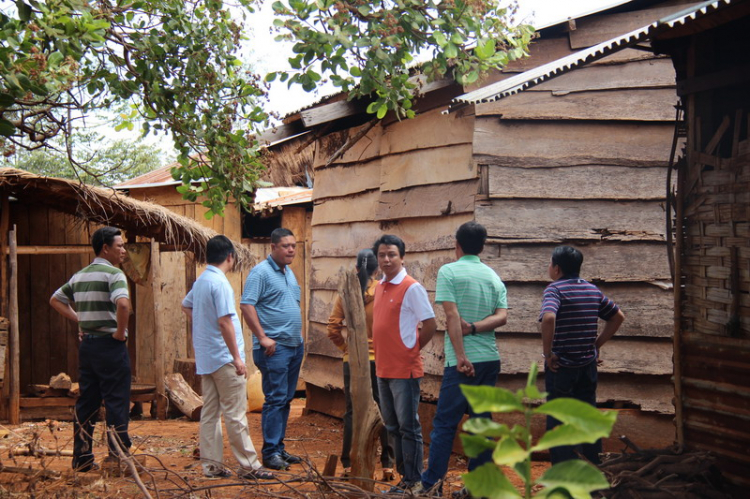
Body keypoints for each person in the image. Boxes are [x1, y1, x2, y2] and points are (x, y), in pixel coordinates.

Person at [419, 221, 508, 497]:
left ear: (457, 245)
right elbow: (502, 317)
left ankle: (432, 485)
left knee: (445, 424)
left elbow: (452, 315)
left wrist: (460, 355)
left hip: (461, 363)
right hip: (489, 360)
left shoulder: (449, 271)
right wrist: (477, 328)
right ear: (482, 247)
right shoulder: (493, 276)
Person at [181, 235, 274, 480]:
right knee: (235, 414)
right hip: (224, 357)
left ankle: (211, 466)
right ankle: (249, 466)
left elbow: (186, 305)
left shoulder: (202, 280)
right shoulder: (220, 283)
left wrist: (203, 327)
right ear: (230, 257)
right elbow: (224, 321)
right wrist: (237, 357)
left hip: (207, 357)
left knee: (210, 413)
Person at [49, 227, 132, 472]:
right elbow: (124, 305)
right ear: (105, 248)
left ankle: (82, 459)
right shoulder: (114, 274)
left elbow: (55, 299)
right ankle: (118, 458)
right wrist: (119, 333)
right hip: (111, 346)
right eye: (119, 246)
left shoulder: (80, 276)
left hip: (88, 348)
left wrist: (81, 320)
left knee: (87, 403)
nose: (123, 250)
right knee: (116, 401)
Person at [539, 245, 625, 464]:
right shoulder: (592, 290)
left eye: (550, 263)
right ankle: (593, 471)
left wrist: (548, 353)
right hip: (587, 367)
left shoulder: (554, 289)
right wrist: (596, 345)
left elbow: (549, 318)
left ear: (556, 269)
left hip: (562, 368)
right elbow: (617, 317)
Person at [371, 234, 437, 494]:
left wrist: (412, 348)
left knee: (408, 426)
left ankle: (414, 480)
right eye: (382, 255)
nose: (386, 260)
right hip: (383, 368)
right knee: (392, 426)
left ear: (402, 257)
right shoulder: (379, 286)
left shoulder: (412, 288)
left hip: (404, 370)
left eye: (392, 255)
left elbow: (430, 323)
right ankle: (404, 478)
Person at [326, 249, 394, 480]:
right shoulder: (385, 292)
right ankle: (387, 465)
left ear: (356, 269)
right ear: (376, 270)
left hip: (353, 361)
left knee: (353, 412)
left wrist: (347, 349)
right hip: (381, 361)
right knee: (384, 409)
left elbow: (333, 328)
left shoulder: (346, 292)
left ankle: (348, 463)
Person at [240, 227, 304, 471]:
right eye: (286, 246)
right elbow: (246, 305)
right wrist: (262, 337)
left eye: (293, 245)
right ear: (273, 247)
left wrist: (298, 336)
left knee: (286, 399)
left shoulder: (289, 273)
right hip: (273, 349)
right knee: (276, 399)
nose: (291, 250)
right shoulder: (261, 273)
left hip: (293, 346)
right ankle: (269, 453)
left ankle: (278, 447)